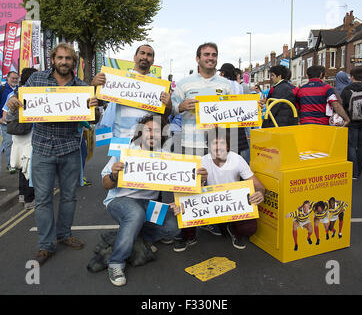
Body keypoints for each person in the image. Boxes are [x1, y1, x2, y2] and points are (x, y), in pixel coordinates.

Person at [7, 43, 103, 266]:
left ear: (74, 62)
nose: (64, 62)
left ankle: (64, 234)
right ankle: (45, 245)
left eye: (68, 58)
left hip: (69, 148)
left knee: (69, 196)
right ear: (52, 59)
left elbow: (93, 120)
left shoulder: (81, 86)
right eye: (60, 57)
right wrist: (13, 103)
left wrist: (94, 108)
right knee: (42, 200)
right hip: (41, 148)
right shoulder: (36, 80)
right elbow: (18, 102)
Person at [101, 115, 180, 286]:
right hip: (121, 200)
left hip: (149, 204)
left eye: (157, 131)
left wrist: (198, 179)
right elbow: (105, 184)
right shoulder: (125, 151)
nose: (152, 134)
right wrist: (114, 175)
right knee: (135, 214)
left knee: (174, 226)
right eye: (148, 130)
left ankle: (134, 236)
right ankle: (115, 262)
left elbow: (180, 183)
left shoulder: (165, 155)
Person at [173, 128, 265, 252]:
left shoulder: (237, 159)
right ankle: (188, 236)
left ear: (228, 146)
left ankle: (232, 229)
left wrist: (260, 193)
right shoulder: (202, 162)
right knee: (186, 202)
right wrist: (200, 181)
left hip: (232, 205)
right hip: (211, 205)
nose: (218, 147)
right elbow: (187, 190)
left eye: (222, 143)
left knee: (249, 228)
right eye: (214, 143)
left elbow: (259, 185)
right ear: (207, 145)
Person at [97, 44, 172, 140]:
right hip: (121, 138)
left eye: (149, 55)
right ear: (134, 57)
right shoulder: (120, 79)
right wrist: (95, 86)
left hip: (148, 140)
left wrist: (169, 106)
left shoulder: (159, 86)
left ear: (153, 61)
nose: (145, 57)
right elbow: (100, 102)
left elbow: (164, 116)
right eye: (142, 53)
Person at [171, 42, 233, 157]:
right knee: (194, 175)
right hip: (191, 143)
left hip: (219, 144)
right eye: (206, 54)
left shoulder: (226, 84)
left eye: (214, 55)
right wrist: (180, 107)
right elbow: (171, 109)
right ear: (197, 58)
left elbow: (235, 111)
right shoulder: (184, 83)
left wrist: (255, 107)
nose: (211, 58)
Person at [4, 68, 37, 210]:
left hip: (20, 136)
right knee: (28, 166)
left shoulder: (15, 93)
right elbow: (6, 115)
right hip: (27, 135)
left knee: (23, 166)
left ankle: (23, 196)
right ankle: (29, 198)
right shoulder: (23, 94)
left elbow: (6, 115)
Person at [340, 66, 362, 179]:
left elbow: (342, 107)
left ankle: (354, 171)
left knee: (351, 146)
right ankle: (359, 170)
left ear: (351, 76)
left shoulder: (347, 90)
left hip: (351, 122)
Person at [0, 71, 19, 173]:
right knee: (8, 143)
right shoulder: (2, 89)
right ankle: (10, 165)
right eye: (13, 78)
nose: (15, 80)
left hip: (17, 122)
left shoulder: (19, 90)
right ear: (7, 78)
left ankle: (16, 163)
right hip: (4, 122)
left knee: (16, 143)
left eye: (16, 78)